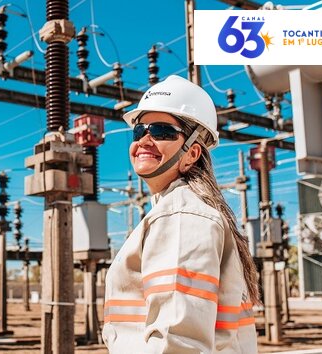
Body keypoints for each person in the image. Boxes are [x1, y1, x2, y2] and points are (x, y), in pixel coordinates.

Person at [102, 75, 259, 353]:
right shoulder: (177, 210)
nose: (145, 140)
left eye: (162, 131)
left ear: (192, 153)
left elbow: (177, 340)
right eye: (139, 132)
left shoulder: (182, 215)